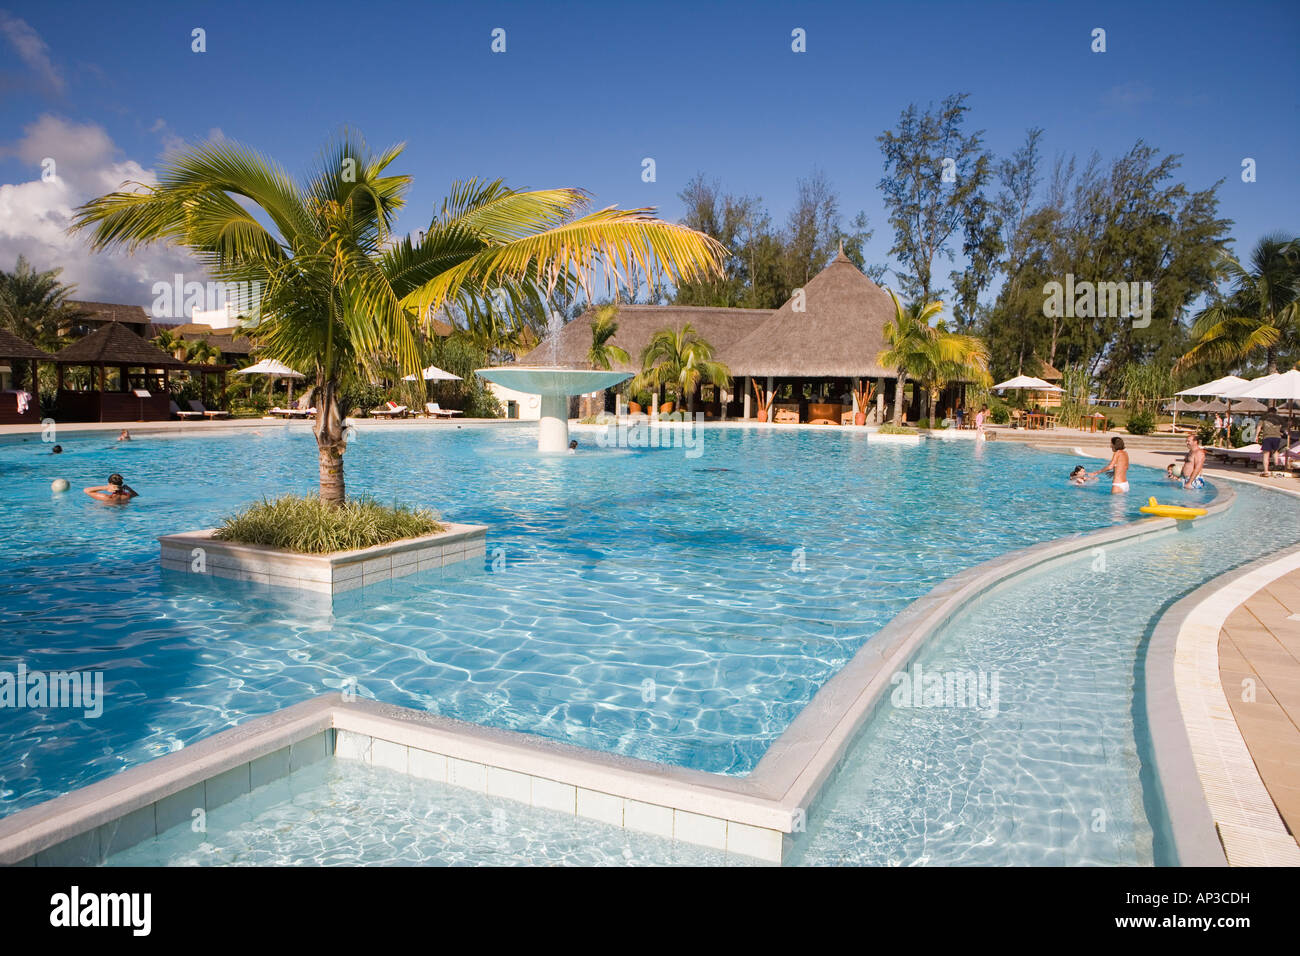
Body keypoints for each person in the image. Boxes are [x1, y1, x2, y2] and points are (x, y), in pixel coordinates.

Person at [1258, 411, 1284, 477]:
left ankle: (1266, 471)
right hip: (1277, 437)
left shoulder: (1263, 419)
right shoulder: (1278, 419)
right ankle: (1276, 466)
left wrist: (1256, 436)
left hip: (1267, 437)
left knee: (1266, 454)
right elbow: (1282, 426)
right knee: (1275, 452)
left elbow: (1259, 427)